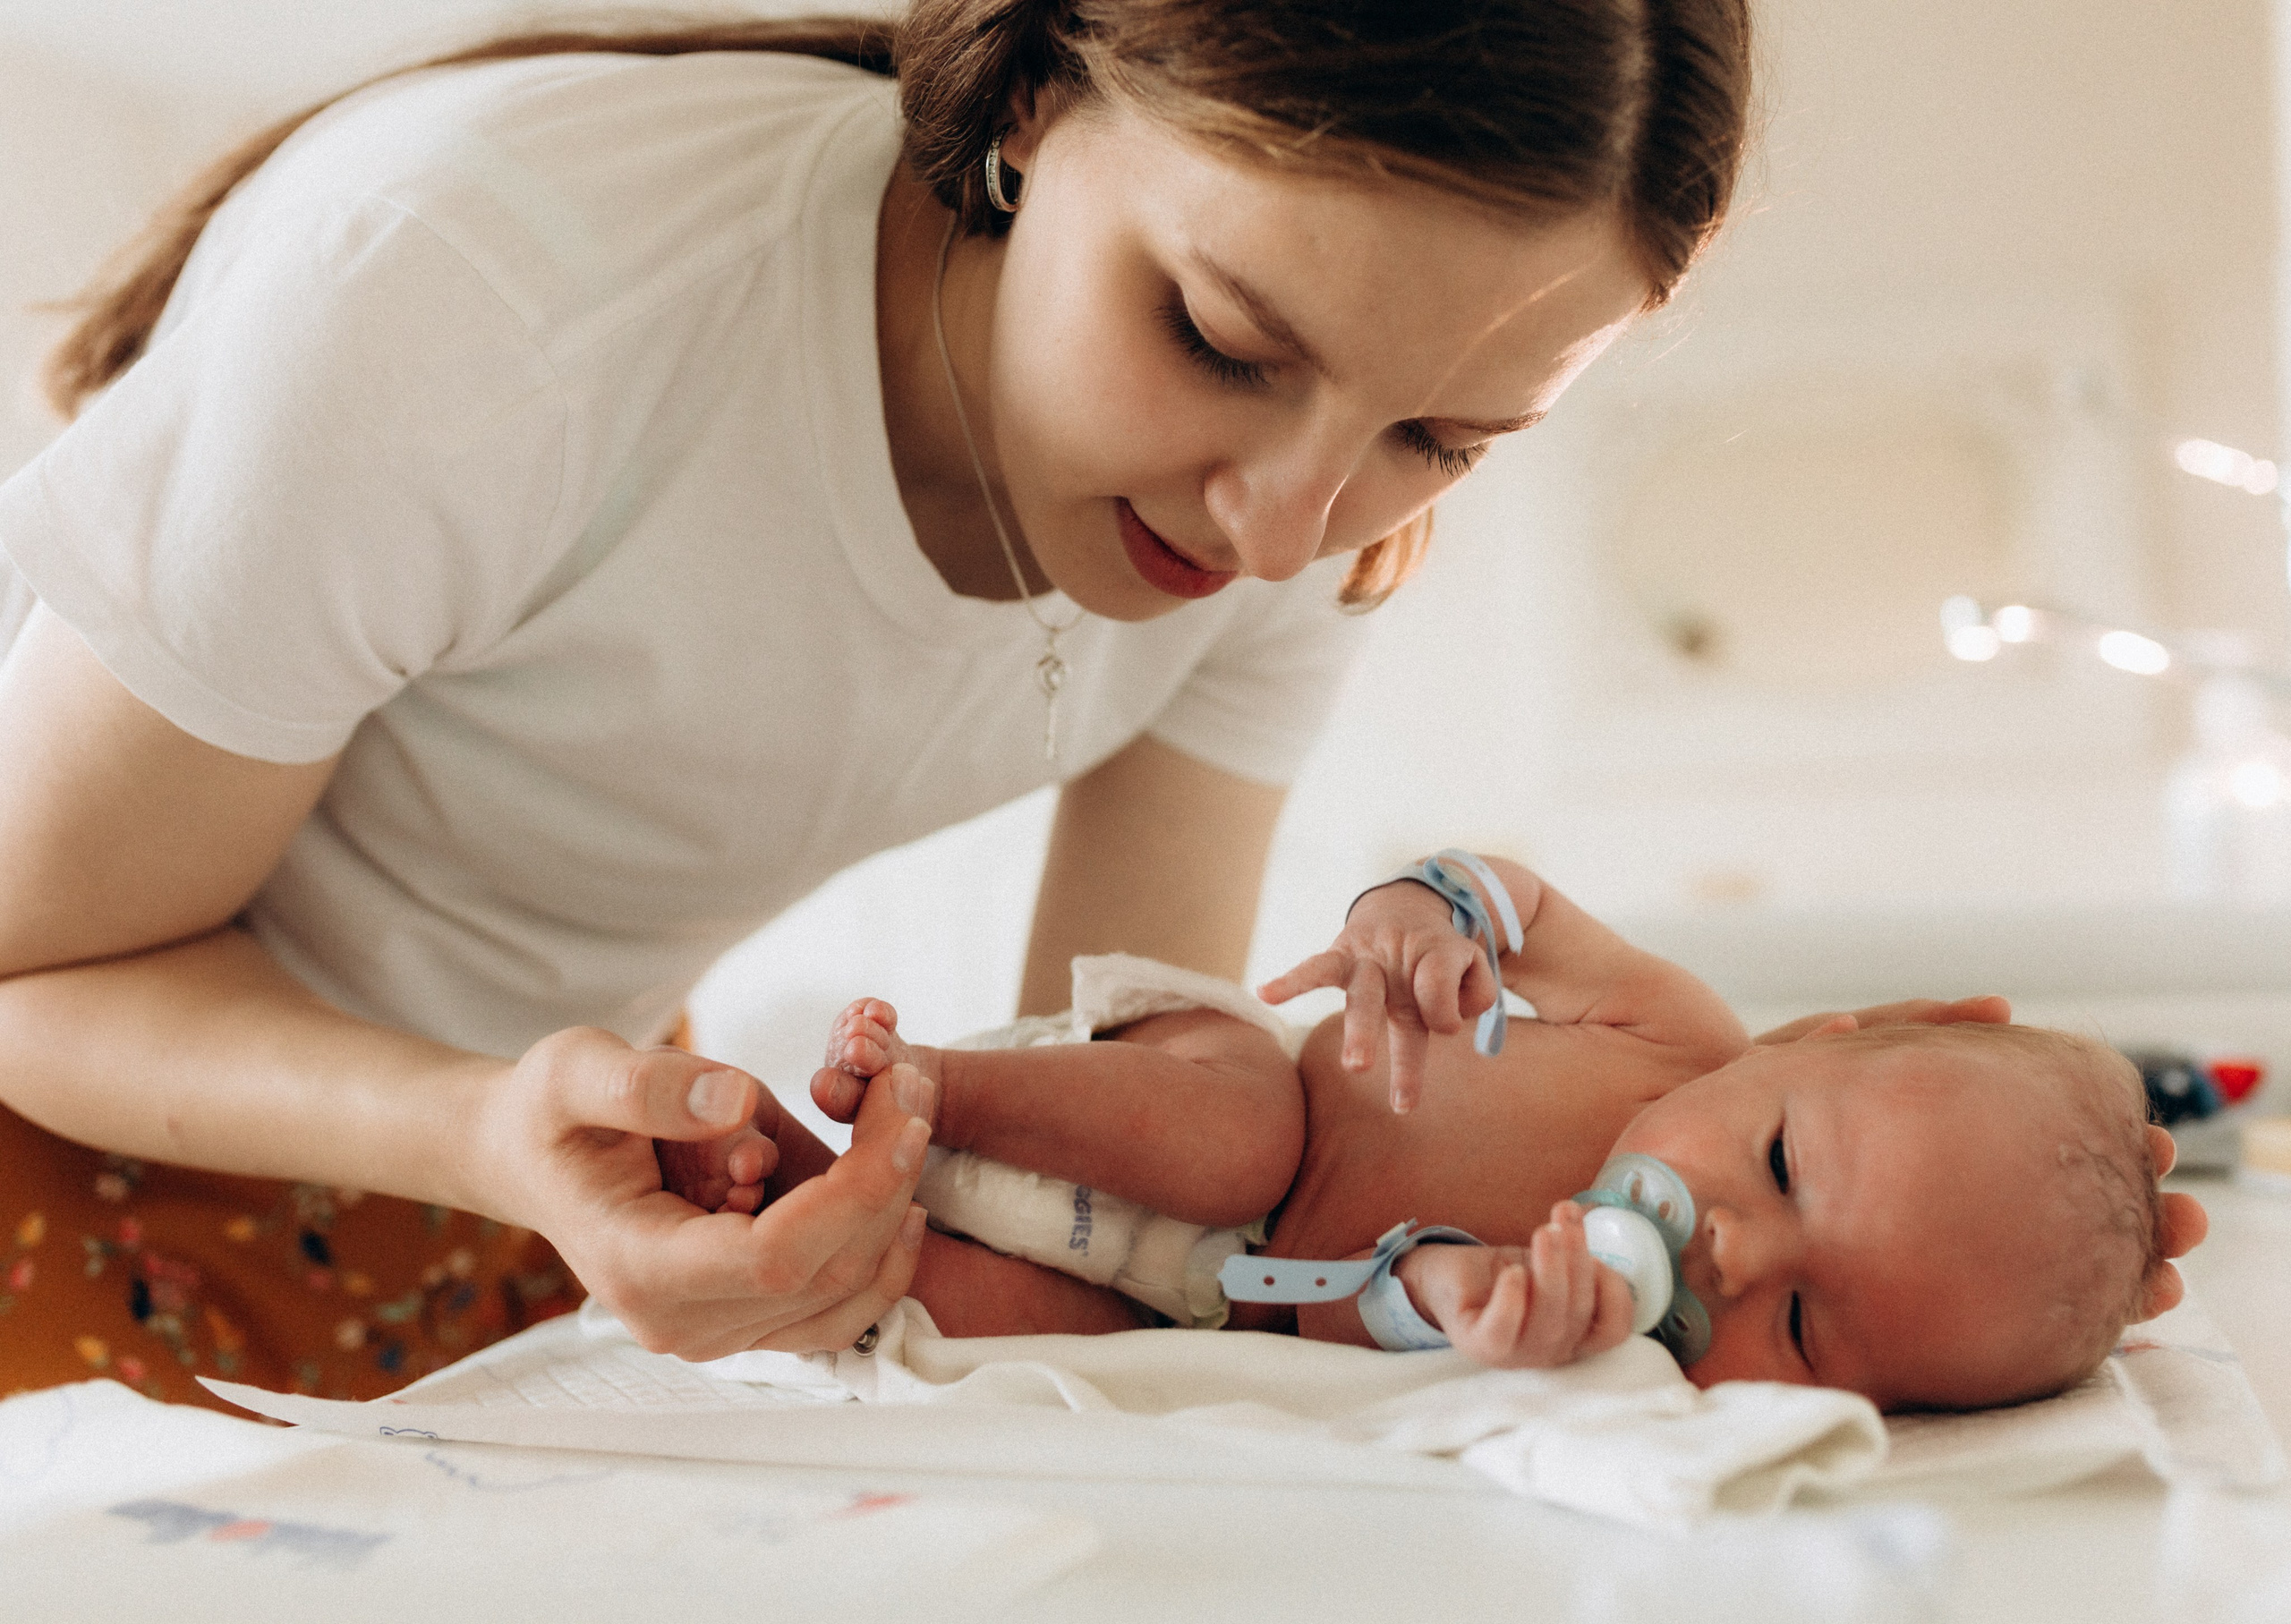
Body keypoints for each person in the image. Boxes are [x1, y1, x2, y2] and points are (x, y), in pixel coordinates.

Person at [0, 0, 1755, 1409]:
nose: (1281, 523)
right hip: (80, 1142)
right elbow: (35, 966)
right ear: (1031, 92)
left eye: (1438, 437)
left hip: (538, 1167)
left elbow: (1120, 1090)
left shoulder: (1304, 514)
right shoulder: (483, 286)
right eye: (1219, 339)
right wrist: (479, 1128)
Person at [672, 853, 2208, 1412]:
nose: (1735, 1253)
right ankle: (927, 1083)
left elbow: (1381, 1314)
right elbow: (1512, 893)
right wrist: (1420, 921)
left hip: (1176, 1294)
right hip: (1192, 1089)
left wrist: (1483, 1317)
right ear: (1814, 1040)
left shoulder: (1609, 1359)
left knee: (1023, 1333)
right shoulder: (1675, 1029)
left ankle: (805, 1202)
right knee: (1241, 1138)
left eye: (1805, 1324)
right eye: (1788, 1167)